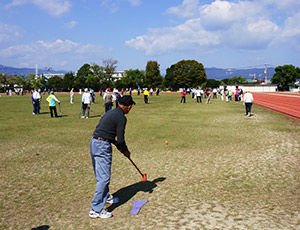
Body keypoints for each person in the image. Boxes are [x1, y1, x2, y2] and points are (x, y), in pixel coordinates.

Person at [89, 95, 136, 219]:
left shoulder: (111, 112)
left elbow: (109, 134)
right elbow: (120, 139)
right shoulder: (121, 117)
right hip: (102, 145)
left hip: (94, 142)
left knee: (101, 175)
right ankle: (96, 209)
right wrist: (125, 150)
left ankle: (105, 197)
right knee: (103, 178)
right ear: (128, 106)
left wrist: (119, 147)